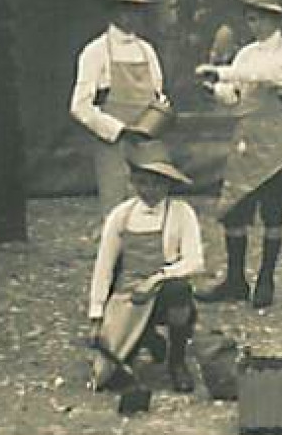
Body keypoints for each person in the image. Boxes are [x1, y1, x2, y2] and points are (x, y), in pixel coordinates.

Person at [195, 0, 282, 310]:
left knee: (273, 212)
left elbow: (270, 77)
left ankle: (266, 278)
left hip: (280, 138)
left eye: (260, 17)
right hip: (248, 136)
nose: (254, 24)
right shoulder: (245, 54)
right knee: (236, 209)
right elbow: (236, 96)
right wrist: (215, 88)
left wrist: (222, 71)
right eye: (251, 18)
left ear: (275, 19)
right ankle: (235, 279)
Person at [85, 141, 203, 393]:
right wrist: (96, 315)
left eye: (157, 183)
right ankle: (147, 337)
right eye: (142, 182)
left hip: (162, 293)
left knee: (179, 290)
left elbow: (195, 261)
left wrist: (157, 279)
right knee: (109, 376)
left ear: (169, 184)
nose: (149, 190)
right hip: (128, 297)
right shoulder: (121, 215)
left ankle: (177, 361)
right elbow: (104, 267)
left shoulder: (181, 213)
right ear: (133, 183)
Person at [69, 0, 172, 219]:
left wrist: (160, 113)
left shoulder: (147, 51)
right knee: (117, 213)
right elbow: (79, 106)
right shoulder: (95, 52)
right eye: (123, 8)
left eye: (136, 10)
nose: (130, 15)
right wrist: (118, 129)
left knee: (151, 211)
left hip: (147, 145)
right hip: (113, 145)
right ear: (111, 11)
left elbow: (159, 95)